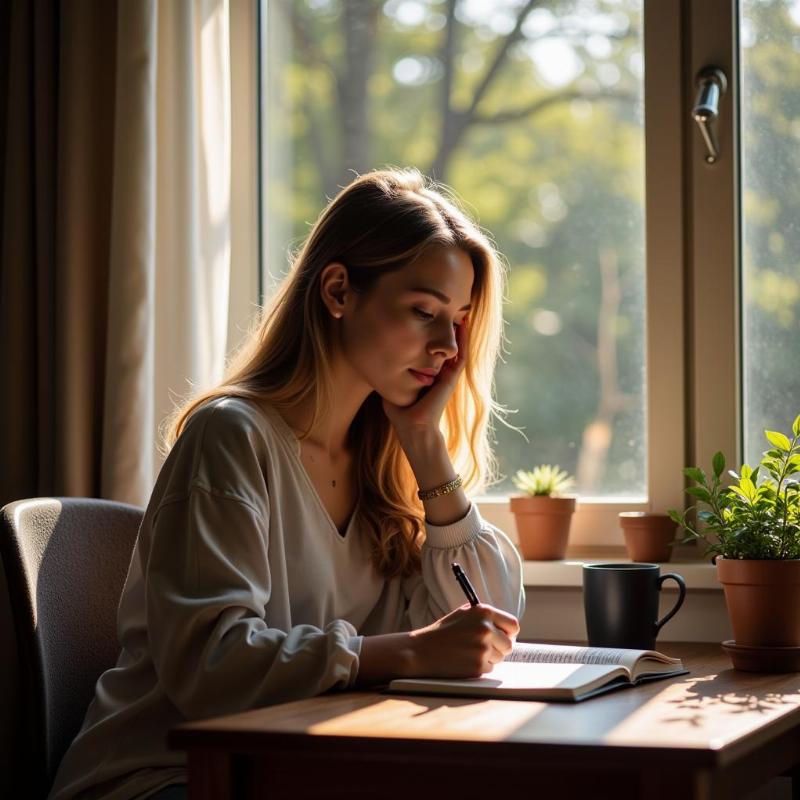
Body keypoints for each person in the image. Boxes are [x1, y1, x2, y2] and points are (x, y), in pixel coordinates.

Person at [48, 168, 525, 800]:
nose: (448, 348)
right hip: (163, 778)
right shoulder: (232, 437)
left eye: (459, 320)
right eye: (423, 312)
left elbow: (482, 629)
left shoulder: (387, 462)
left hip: (296, 769)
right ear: (337, 291)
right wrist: (403, 653)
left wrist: (427, 447)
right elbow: (210, 664)